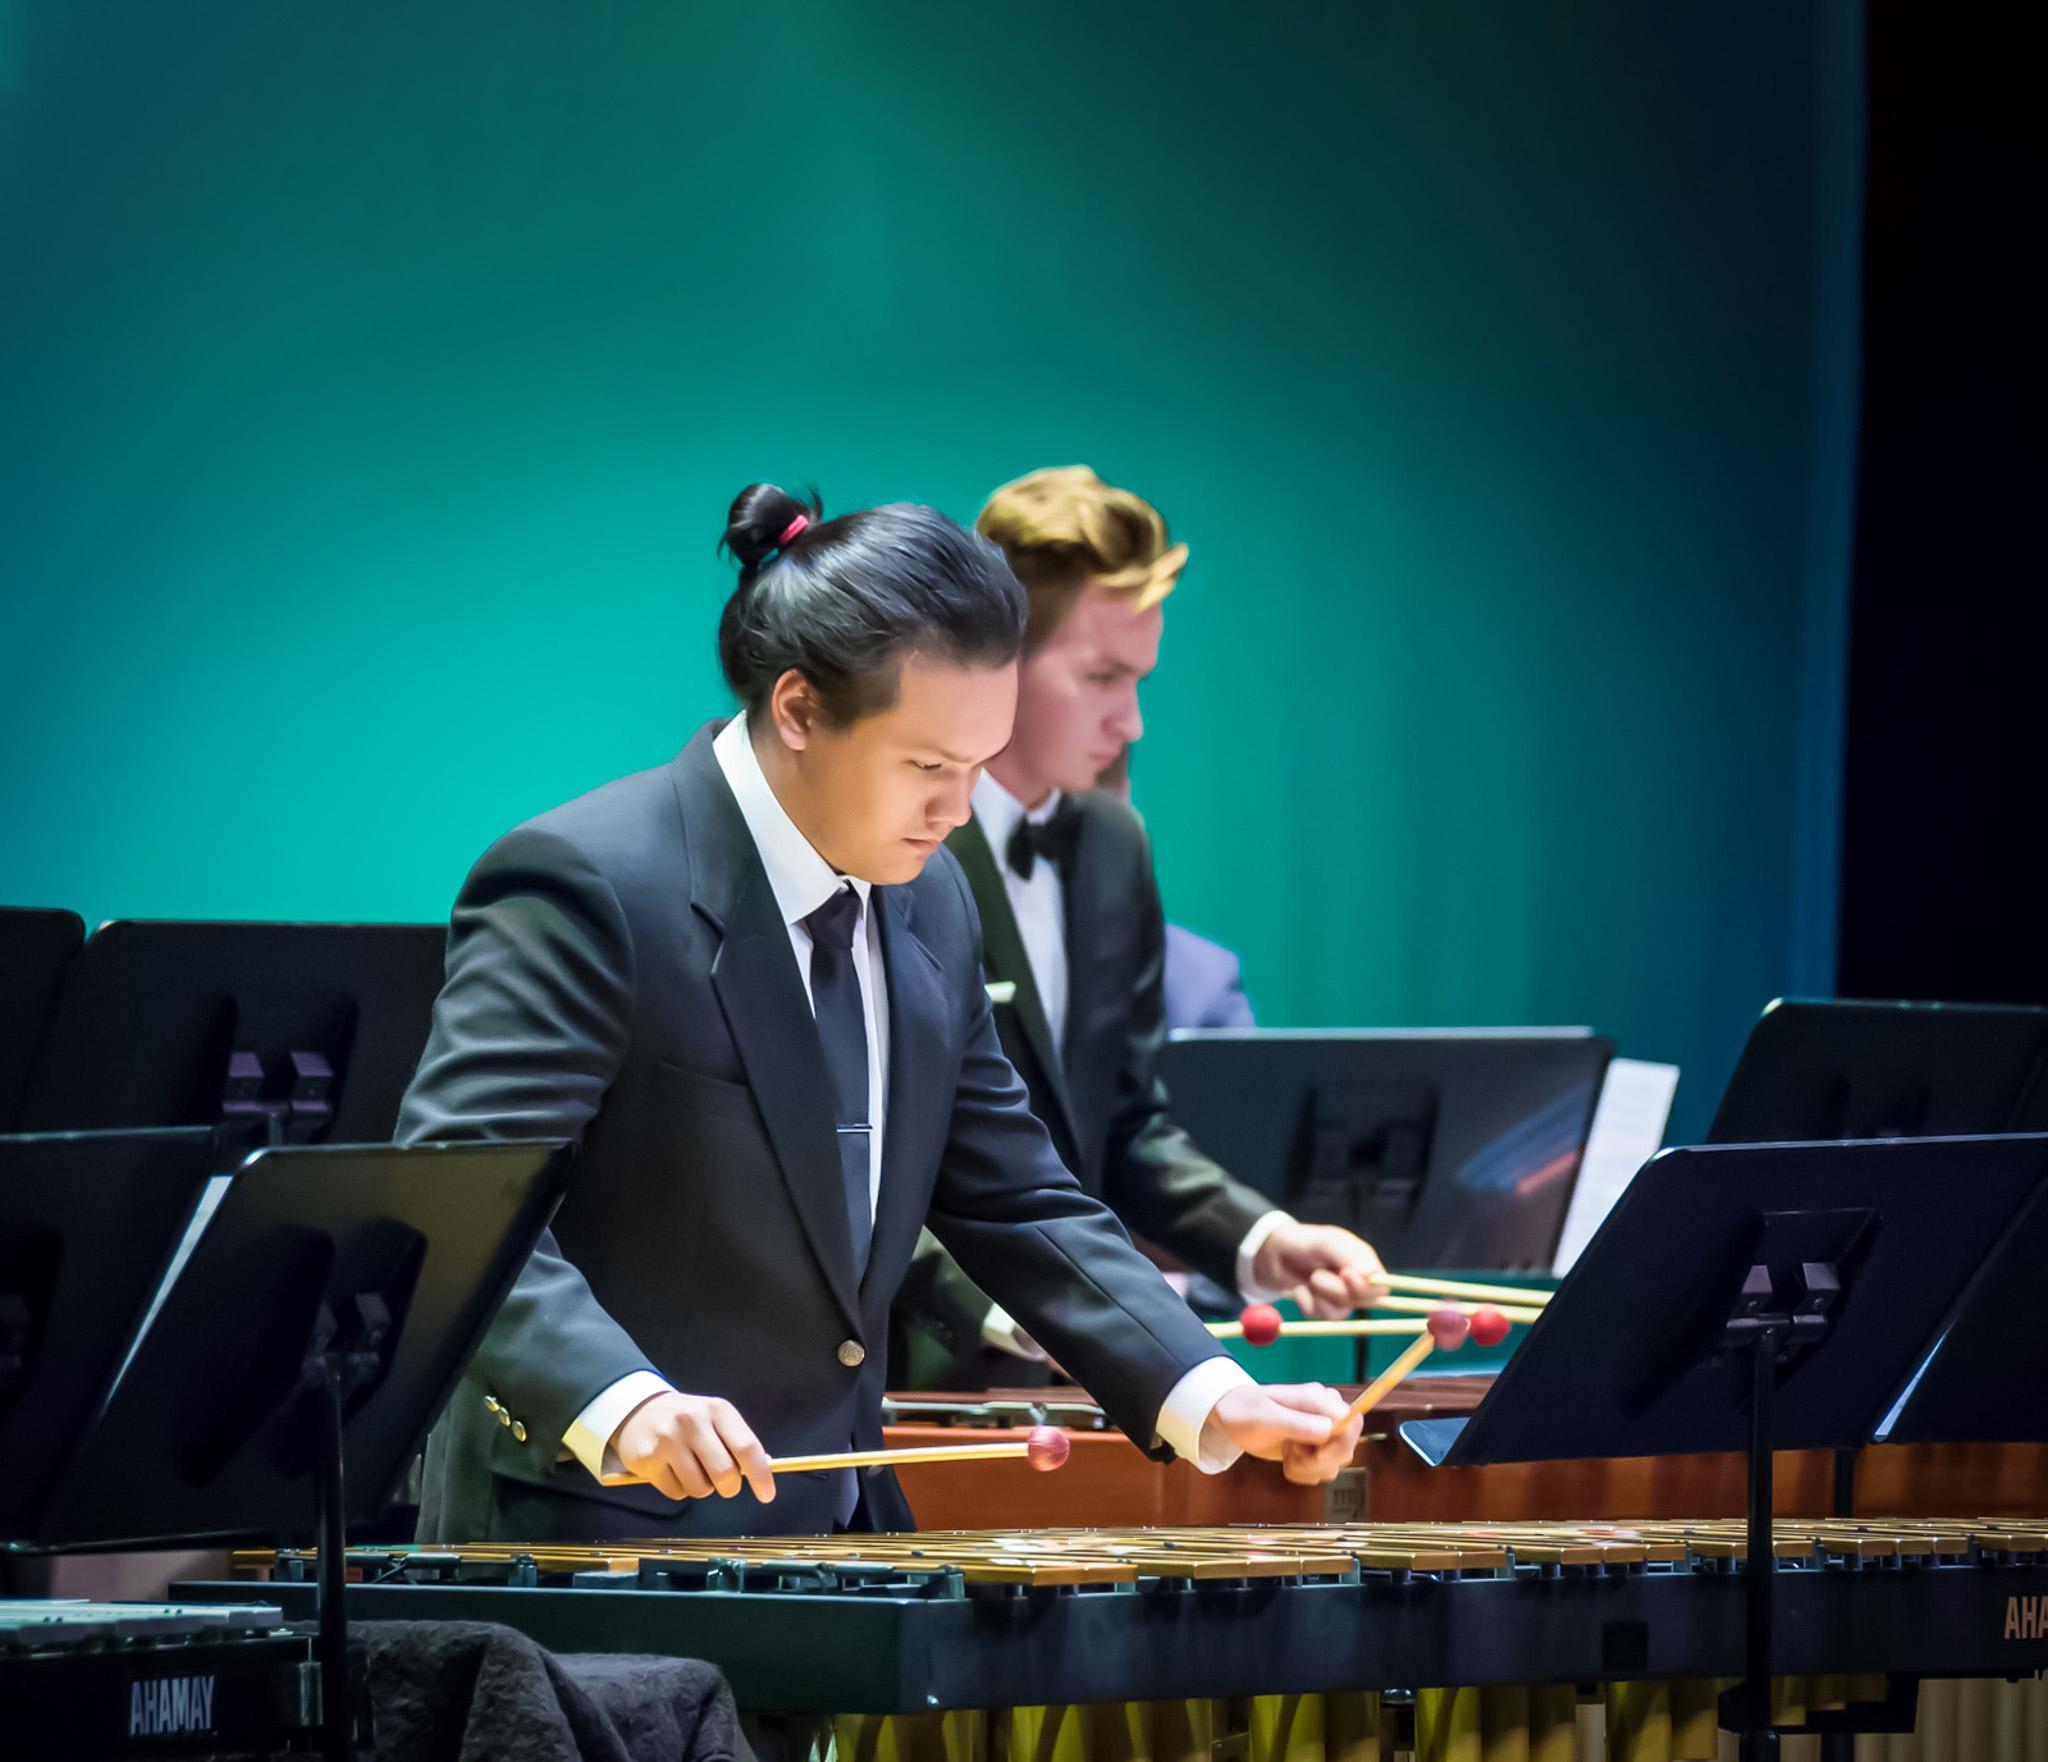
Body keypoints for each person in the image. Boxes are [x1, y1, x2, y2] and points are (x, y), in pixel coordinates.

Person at [397, 483, 1364, 1541]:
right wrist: (623, 1401)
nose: (957, 812)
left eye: (978, 767)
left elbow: (1017, 1194)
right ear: (799, 709)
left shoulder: (929, 895)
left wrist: (1209, 1390)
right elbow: (462, 1206)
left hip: (837, 1533)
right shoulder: (588, 881)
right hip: (596, 1540)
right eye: (926, 767)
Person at [892, 466, 1386, 1390]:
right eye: (1102, 677)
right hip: (907, 1377)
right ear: (996, 659)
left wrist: (1261, 1238)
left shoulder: (1115, 844)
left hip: (1075, 1378)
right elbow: (866, 1148)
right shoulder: (896, 845)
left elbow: (1121, 1123)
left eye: (1139, 679)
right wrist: (1018, 1299)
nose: (1133, 720)